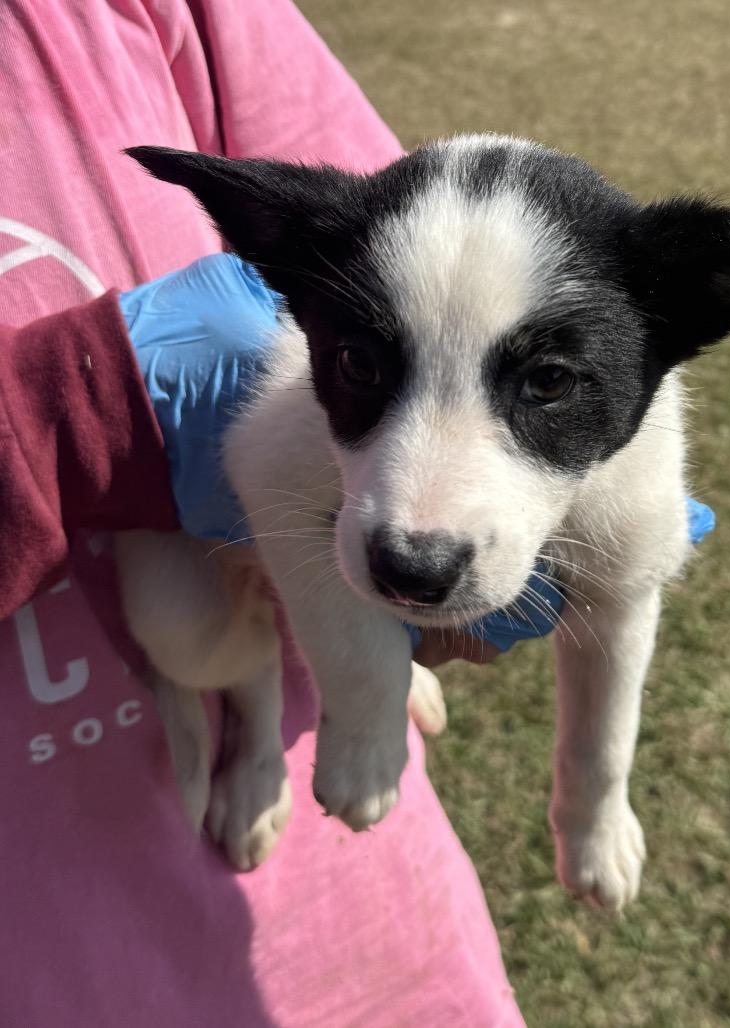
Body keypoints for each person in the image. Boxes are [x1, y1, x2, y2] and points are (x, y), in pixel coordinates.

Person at [0, 2, 529, 1024]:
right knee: (188, 614)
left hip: (366, 943)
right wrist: (66, 418)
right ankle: (246, 720)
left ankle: (277, 716)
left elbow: (428, 256)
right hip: (48, 943)